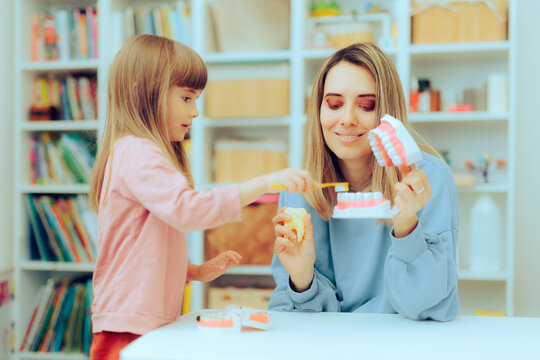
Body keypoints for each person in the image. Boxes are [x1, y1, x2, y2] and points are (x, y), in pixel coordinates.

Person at [88, 34, 317, 360]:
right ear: (146, 93)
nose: (195, 112)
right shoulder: (139, 152)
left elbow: (139, 247)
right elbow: (186, 210)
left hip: (139, 318)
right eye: (186, 98)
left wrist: (192, 271)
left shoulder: (135, 152)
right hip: (129, 323)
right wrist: (265, 182)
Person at [269, 43, 459, 321]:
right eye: (334, 104)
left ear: (387, 112)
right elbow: (294, 318)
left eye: (366, 105)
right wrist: (302, 279)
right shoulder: (301, 190)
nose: (347, 119)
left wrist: (407, 227)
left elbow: (423, 306)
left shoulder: (428, 180)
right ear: (318, 110)